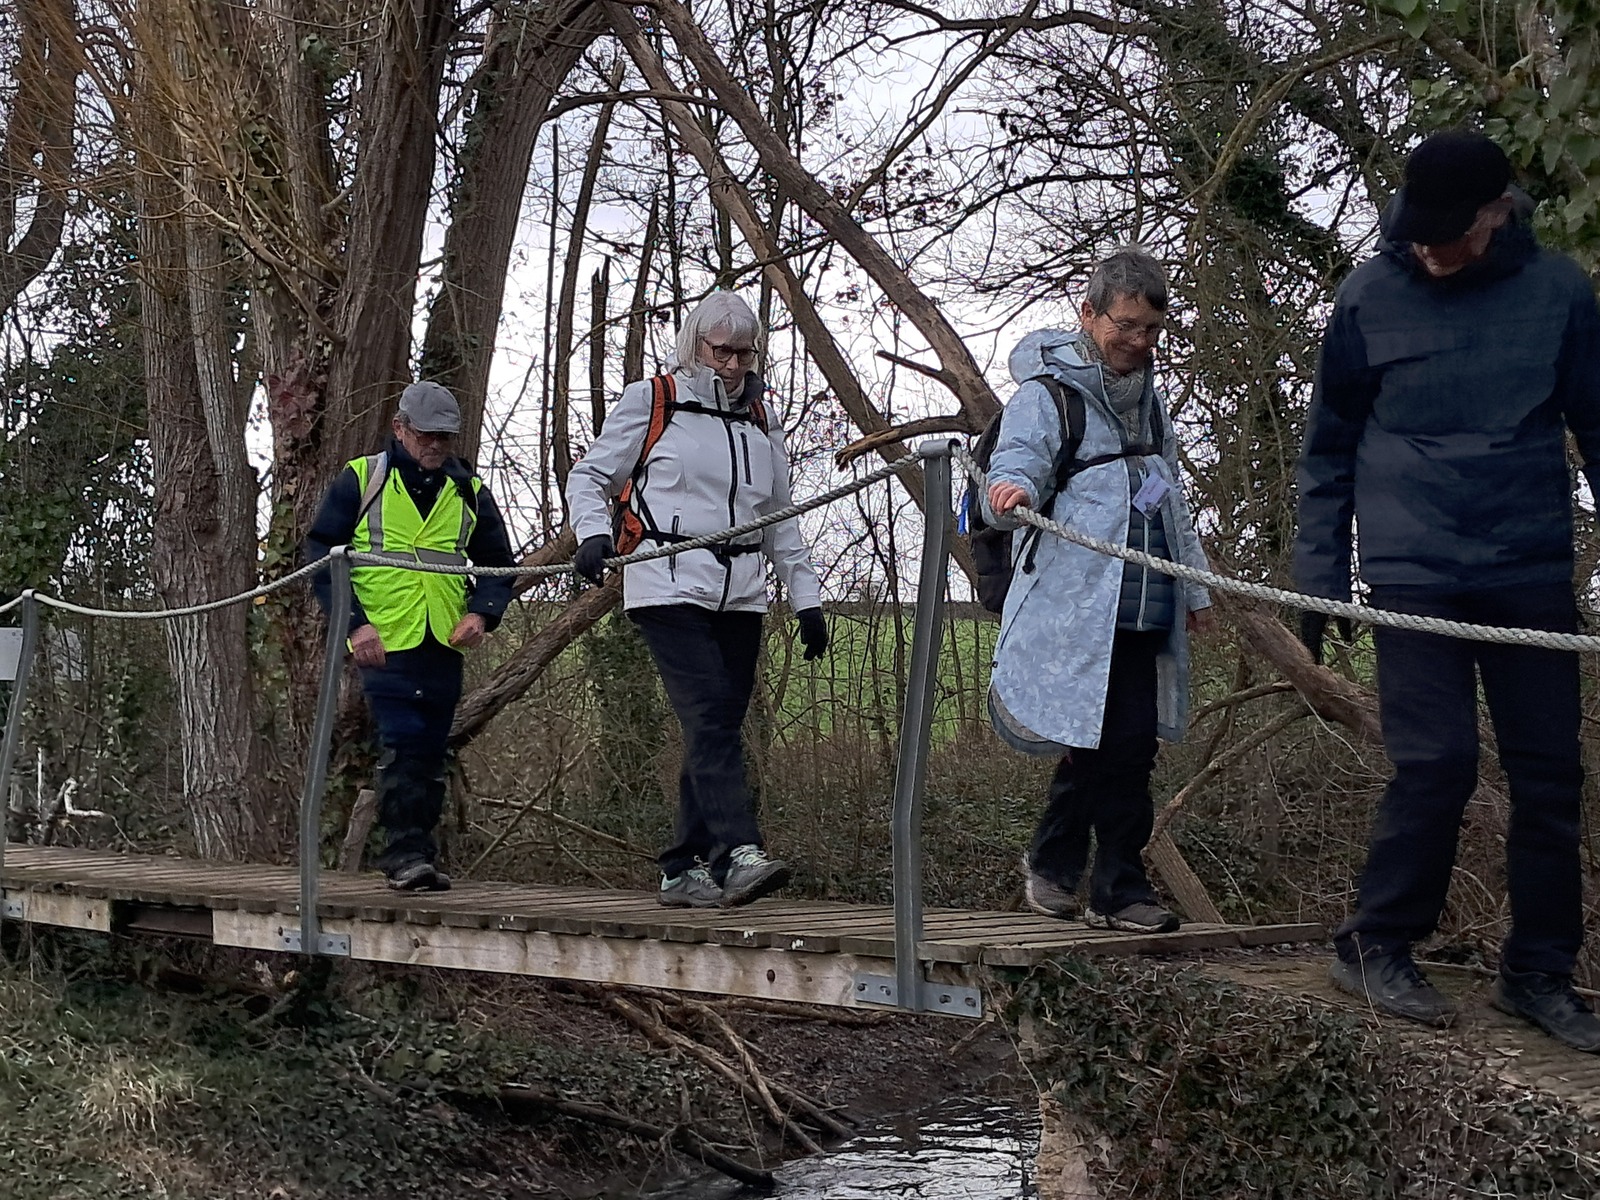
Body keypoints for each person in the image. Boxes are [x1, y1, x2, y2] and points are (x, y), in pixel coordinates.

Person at [1294, 129, 1600, 1052]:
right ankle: (1374, 943)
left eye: (1447, 234)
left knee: (1550, 776)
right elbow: (1327, 449)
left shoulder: (1560, 293)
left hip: (1527, 562)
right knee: (1436, 763)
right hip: (1412, 570)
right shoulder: (1367, 295)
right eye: (1416, 232)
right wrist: (1318, 581)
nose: (1428, 249)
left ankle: (1537, 973)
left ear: (1496, 212)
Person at [565, 291, 829, 909]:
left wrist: (807, 599)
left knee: (719, 727)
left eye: (744, 353)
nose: (733, 365)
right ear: (695, 346)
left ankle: (681, 867)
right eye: (721, 351)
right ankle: (737, 850)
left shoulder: (762, 420)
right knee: (709, 714)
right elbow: (590, 476)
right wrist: (592, 532)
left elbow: (780, 515)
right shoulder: (652, 400)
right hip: (666, 582)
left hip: (741, 593)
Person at [983, 247, 1214, 934]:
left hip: (1146, 600)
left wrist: (1196, 588)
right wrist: (1011, 489)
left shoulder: (1151, 404)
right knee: (1103, 741)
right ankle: (1116, 889)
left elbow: (1170, 497)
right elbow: (1018, 459)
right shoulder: (1047, 395)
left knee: (1124, 745)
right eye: (1126, 326)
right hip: (1078, 607)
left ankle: (1060, 867)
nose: (1139, 342)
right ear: (1088, 315)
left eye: (1151, 330)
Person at [306, 381, 516, 891]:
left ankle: (418, 855)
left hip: (443, 641)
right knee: (402, 745)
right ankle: (404, 856)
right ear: (400, 428)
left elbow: (498, 563)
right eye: (426, 435)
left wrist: (483, 614)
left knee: (431, 751)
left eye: (445, 437)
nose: (436, 445)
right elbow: (321, 558)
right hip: (384, 641)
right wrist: (355, 625)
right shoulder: (362, 479)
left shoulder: (468, 491)